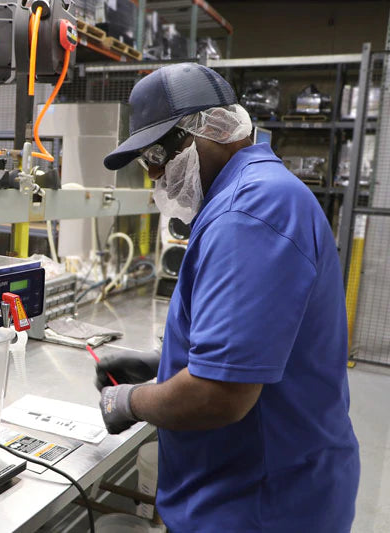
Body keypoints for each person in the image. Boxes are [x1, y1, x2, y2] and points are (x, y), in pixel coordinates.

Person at [96, 63, 360, 532]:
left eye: (158, 153)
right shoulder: (252, 193)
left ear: (208, 129)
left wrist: (132, 402)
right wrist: (163, 364)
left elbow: (221, 396)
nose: (154, 175)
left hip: (259, 506)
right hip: (256, 491)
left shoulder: (248, 211)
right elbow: (257, 341)